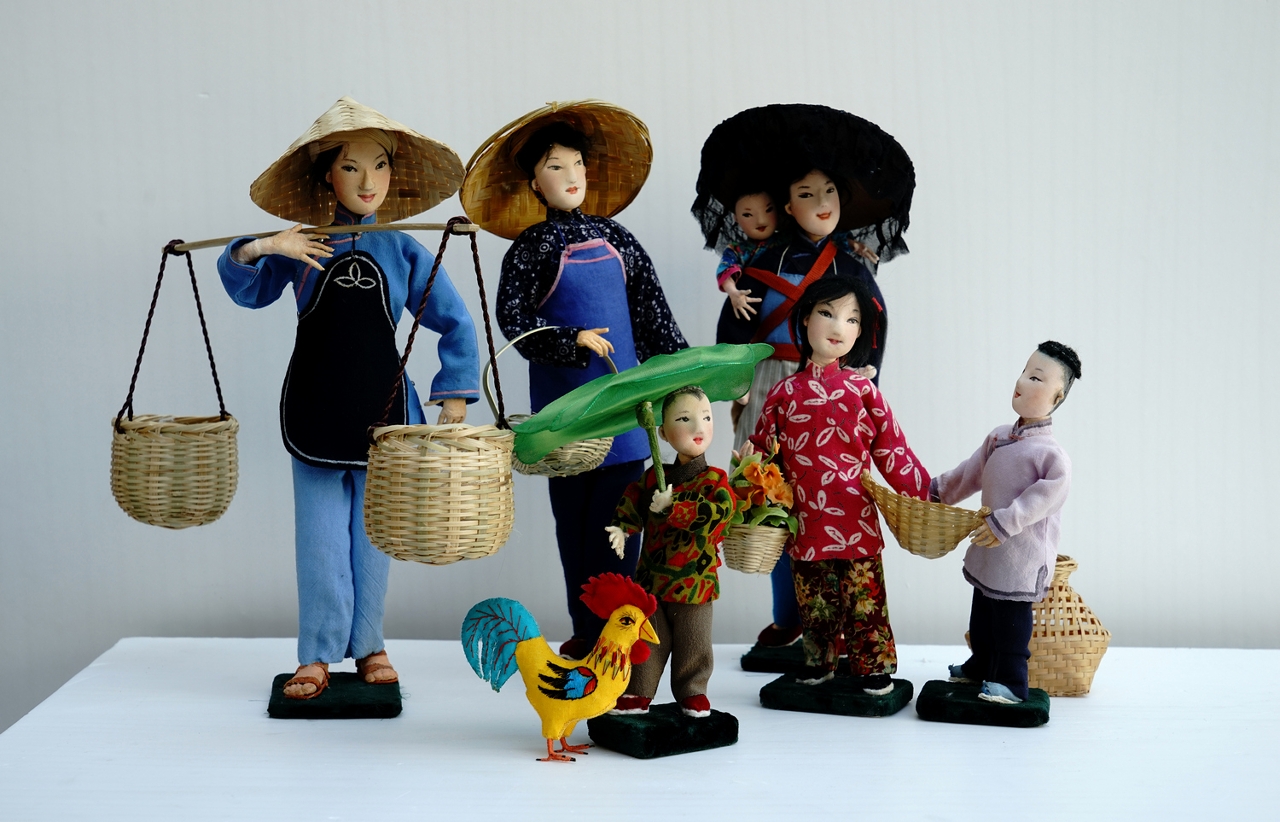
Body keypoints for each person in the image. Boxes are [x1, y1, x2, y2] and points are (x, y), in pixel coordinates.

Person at [217, 98, 480, 699]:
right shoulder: (303, 245)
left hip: (385, 415)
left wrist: (454, 395)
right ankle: (316, 651)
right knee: (318, 540)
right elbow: (247, 290)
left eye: (380, 166)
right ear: (326, 176)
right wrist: (265, 246)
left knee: (373, 537)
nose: (368, 182)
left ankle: (369, 644)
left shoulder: (404, 249)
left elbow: (456, 321)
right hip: (315, 407)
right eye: (351, 167)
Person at [491, 112, 687, 658]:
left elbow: (653, 318)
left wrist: (684, 379)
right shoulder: (530, 247)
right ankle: (584, 631)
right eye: (555, 166)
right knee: (572, 528)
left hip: (625, 412)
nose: (571, 174)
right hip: (565, 417)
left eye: (577, 163)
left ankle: (617, 639)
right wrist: (567, 340)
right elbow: (513, 321)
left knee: (619, 527)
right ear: (535, 184)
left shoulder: (618, 238)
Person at [745, 276, 929, 695]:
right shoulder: (784, 393)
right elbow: (762, 455)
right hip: (806, 521)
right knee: (815, 603)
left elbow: (892, 448)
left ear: (861, 332)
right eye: (827, 313)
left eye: (851, 319)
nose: (838, 326)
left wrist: (925, 494)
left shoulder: (863, 391)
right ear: (805, 318)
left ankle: (873, 666)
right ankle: (818, 661)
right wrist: (746, 488)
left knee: (866, 599)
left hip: (855, 517)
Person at [931, 342, 1081, 704]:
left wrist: (1005, 521)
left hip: (1021, 556)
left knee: (1010, 623)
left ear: (1057, 396)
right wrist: (936, 492)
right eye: (1024, 371)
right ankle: (981, 664)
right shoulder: (999, 438)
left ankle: (1013, 682)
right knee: (982, 614)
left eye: (1036, 378)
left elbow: (1042, 500)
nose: (1021, 382)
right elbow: (969, 473)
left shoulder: (1052, 456)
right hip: (988, 547)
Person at [605, 386, 735, 718]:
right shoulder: (653, 477)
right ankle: (638, 690)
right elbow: (633, 500)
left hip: (694, 581)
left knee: (694, 641)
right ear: (662, 432)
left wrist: (674, 505)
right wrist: (622, 527)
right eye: (684, 419)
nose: (699, 427)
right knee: (647, 639)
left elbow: (718, 514)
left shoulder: (714, 481)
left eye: (706, 417)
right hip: (652, 579)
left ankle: (693, 690)